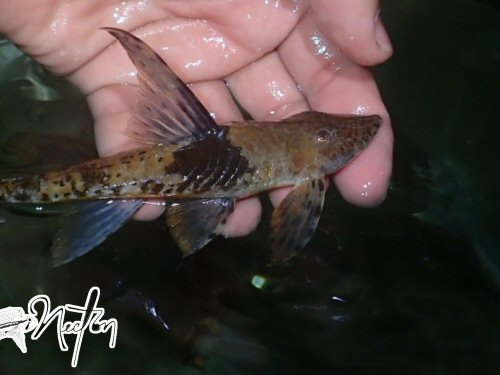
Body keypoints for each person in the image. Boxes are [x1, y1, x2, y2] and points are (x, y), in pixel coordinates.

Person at [0, 0, 393, 238]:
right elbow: (293, 234)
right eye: (324, 132)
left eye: (326, 132)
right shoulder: (310, 182)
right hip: (193, 153)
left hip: (191, 153)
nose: (342, 132)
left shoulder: (306, 170)